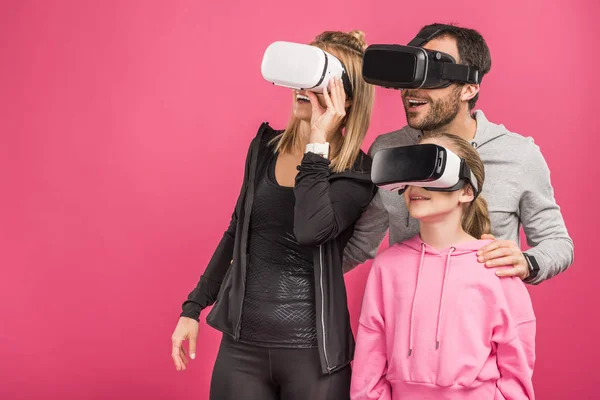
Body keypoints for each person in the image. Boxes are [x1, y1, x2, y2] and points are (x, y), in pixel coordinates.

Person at [171, 30, 376, 400]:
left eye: (318, 81)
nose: (302, 87)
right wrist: (193, 307)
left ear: (345, 98)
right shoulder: (264, 147)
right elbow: (238, 231)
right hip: (242, 348)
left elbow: (311, 229)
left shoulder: (358, 172)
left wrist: (317, 144)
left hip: (314, 357)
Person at [343, 23, 573, 284]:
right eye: (411, 75)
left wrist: (529, 262)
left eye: (431, 76)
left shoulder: (518, 155)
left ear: (469, 88)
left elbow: (557, 242)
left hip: (481, 312)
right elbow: (361, 242)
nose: (411, 90)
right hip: (408, 310)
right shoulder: (388, 149)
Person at [350, 133, 536, 400]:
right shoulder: (387, 267)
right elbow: (370, 355)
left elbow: (516, 367)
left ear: (466, 190)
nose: (416, 185)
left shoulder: (496, 265)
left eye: (430, 172)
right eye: (411, 174)